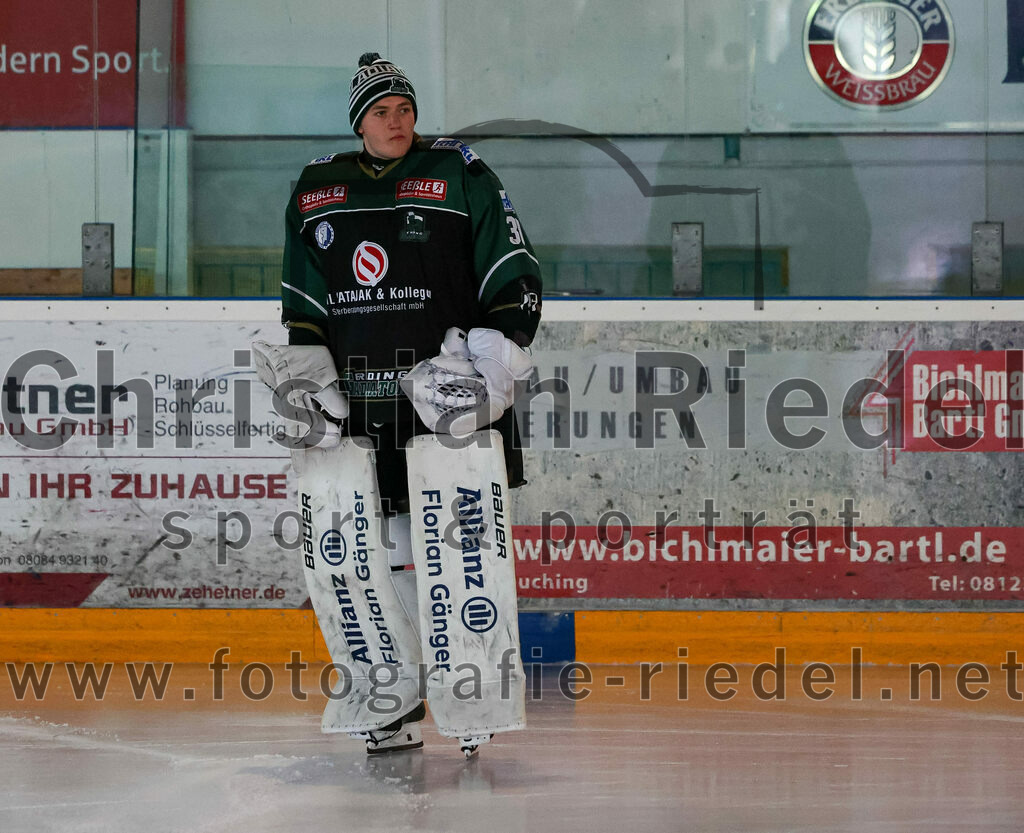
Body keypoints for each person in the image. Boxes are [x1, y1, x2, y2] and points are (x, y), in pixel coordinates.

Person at [265, 52, 542, 755]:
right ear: (359, 121)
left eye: (405, 109)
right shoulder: (316, 190)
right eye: (381, 112)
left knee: (456, 549)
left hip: (449, 400)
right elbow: (304, 304)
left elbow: (514, 268)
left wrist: (501, 350)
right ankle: (392, 699)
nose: (396, 122)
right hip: (363, 405)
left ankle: (469, 697)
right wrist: (307, 376)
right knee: (373, 553)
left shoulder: (460, 174)